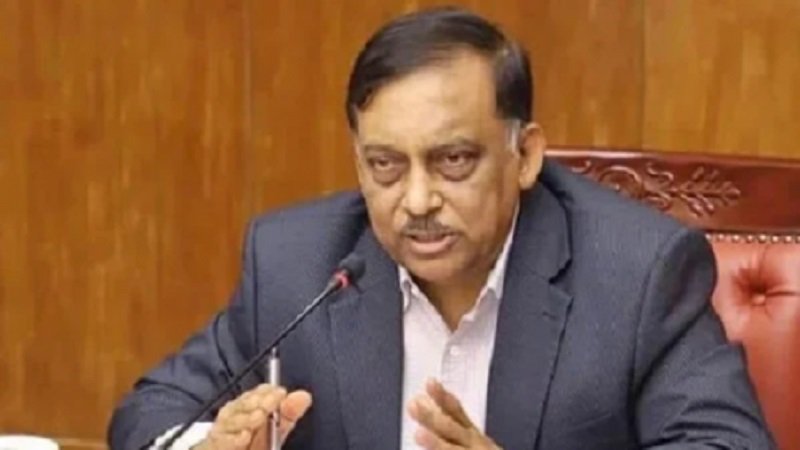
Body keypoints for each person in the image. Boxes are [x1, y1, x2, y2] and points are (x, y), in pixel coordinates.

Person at [109, 7, 774, 450]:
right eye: (385, 165)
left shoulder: (639, 272)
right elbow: (148, 413)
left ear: (525, 156)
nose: (417, 200)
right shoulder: (299, 262)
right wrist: (211, 444)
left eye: (453, 161)